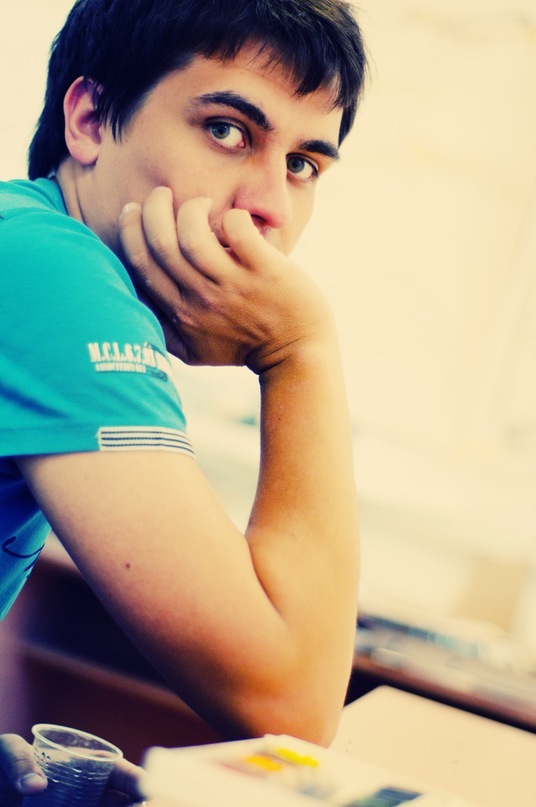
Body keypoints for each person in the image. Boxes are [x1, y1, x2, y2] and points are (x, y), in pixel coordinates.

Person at [0, 0, 366, 801]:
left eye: (303, 164)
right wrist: (300, 350)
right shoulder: (49, 271)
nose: (271, 206)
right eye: (228, 130)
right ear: (89, 119)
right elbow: (290, 702)